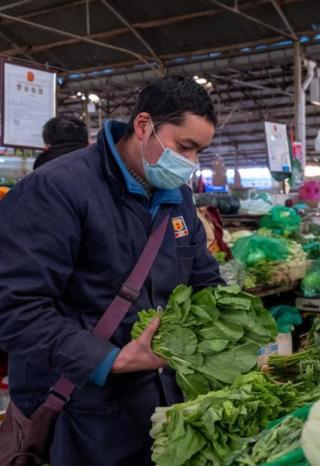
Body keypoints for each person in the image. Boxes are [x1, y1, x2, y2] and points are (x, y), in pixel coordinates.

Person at [0, 77, 223, 465]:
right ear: (143, 126)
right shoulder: (55, 190)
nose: (190, 163)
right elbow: (14, 308)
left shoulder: (178, 198)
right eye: (184, 147)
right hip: (80, 412)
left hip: (159, 405)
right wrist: (111, 360)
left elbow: (201, 275)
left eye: (199, 152)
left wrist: (230, 329)